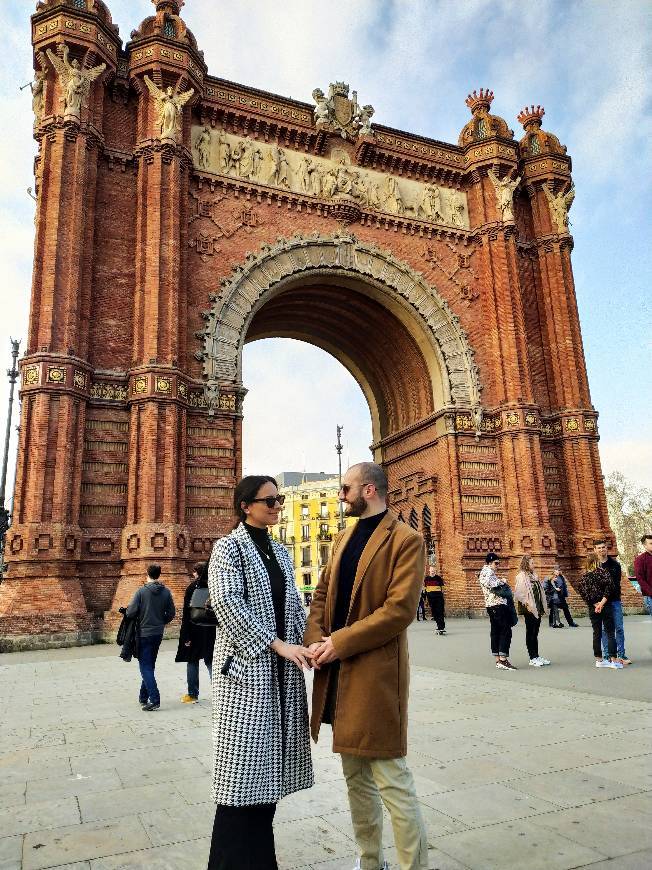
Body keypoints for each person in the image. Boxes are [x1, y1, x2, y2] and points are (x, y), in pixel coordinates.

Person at [305, 462, 428, 870]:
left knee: (392, 780)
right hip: (337, 672)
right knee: (356, 780)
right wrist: (315, 642)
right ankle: (369, 862)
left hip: (374, 672)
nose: (341, 495)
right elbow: (321, 594)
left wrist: (338, 642)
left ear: (369, 489)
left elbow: (399, 610)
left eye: (345, 488)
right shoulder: (343, 538)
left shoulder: (406, 540)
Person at [207, 476, 314, 870]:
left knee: (266, 784)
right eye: (269, 500)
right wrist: (278, 645)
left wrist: (311, 644)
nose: (276, 505)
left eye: (279, 499)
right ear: (245, 506)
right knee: (240, 785)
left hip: (281, 677)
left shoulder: (282, 553)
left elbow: (293, 610)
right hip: (245, 676)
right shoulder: (227, 548)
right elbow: (227, 604)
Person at [125, 564, 176, 711]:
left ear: (147, 574)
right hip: (157, 633)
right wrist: (161, 621)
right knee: (150, 664)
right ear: (159, 574)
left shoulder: (141, 592)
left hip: (144, 633)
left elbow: (131, 612)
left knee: (145, 667)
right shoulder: (166, 592)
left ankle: (154, 699)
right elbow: (171, 613)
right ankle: (143, 697)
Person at [175, 561, 215, 704]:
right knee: (211, 661)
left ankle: (192, 694)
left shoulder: (192, 587)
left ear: (196, 572)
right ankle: (218, 694)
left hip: (194, 628)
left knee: (192, 661)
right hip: (211, 629)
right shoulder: (214, 586)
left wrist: (186, 635)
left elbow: (187, 614)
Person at [576, 553, 623, 669]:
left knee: (596, 633)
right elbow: (610, 587)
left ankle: (599, 659)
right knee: (610, 632)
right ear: (597, 562)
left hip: (593, 607)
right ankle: (613, 659)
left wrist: (594, 604)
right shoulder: (603, 573)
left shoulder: (584, 577)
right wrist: (601, 603)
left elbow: (582, 592)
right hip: (605, 605)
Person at [594, 540, 632, 666]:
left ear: (607, 549)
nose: (601, 550)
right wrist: (598, 602)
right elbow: (593, 585)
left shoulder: (614, 565)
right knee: (605, 629)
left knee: (619, 628)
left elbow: (614, 585)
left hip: (614, 601)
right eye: (598, 548)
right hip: (601, 603)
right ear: (595, 550)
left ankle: (621, 654)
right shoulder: (594, 565)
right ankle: (608, 654)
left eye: (603, 547)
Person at [478, 552, 517, 670]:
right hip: (497, 605)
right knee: (505, 631)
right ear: (490, 562)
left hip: (492, 606)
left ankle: (498, 659)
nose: (498, 565)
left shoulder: (487, 572)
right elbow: (490, 583)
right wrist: (502, 581)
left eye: (498, 563)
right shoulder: (487, 571)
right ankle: (503, 660)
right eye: (496, 563)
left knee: (496, 631)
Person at [514, 555, 551, 667]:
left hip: (537, 607)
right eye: (532, 563)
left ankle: (536, 656)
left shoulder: (534, 575)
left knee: (535, 632)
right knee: (530, 632)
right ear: (526, 564)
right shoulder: (521, 576)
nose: (533, 565)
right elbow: (519, 593)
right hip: (529, 608)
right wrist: (527, 603)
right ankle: (532, 657)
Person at [634, 533, 652, 617]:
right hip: (650, 596)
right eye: (651, 543)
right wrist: (650, 592)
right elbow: (640, 578)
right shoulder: (640, 559)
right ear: (645, 545)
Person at [424, 567, 446, 634]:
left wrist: (442, 596)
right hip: (431, 598)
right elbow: (425, 589)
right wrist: (425, 599)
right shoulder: (426, 579)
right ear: (429, 571)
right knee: (434, 613)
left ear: (435, 571)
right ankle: (438, 626)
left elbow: (443, 588)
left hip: (439, 598)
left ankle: (441, 627)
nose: (433, 572)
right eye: (432, 570)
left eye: (434, 571)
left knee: (440, 611)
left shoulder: (438, 578)